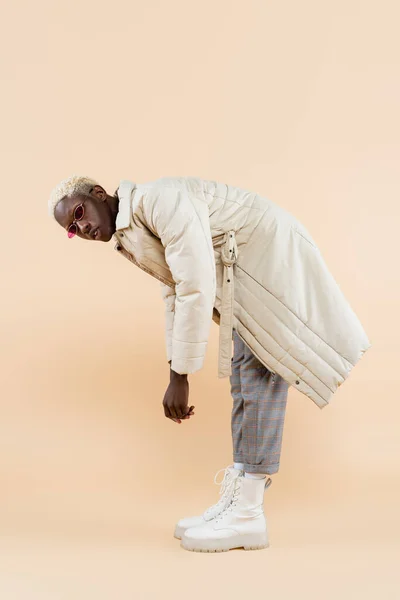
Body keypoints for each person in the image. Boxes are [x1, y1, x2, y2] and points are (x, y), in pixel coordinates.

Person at [48, 174, 371, 553]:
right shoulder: (130, 232)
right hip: (246, 268)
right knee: (245, 375)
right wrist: (175, 364)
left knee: (259, 374)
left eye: (80, 213)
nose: (82, 227)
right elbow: (174, 290)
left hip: (266, 256)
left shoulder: (158, 202)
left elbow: (195, 282)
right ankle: (239, 500)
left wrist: (179, 375)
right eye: (72, 228)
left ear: (99, 194)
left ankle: (248, 513)